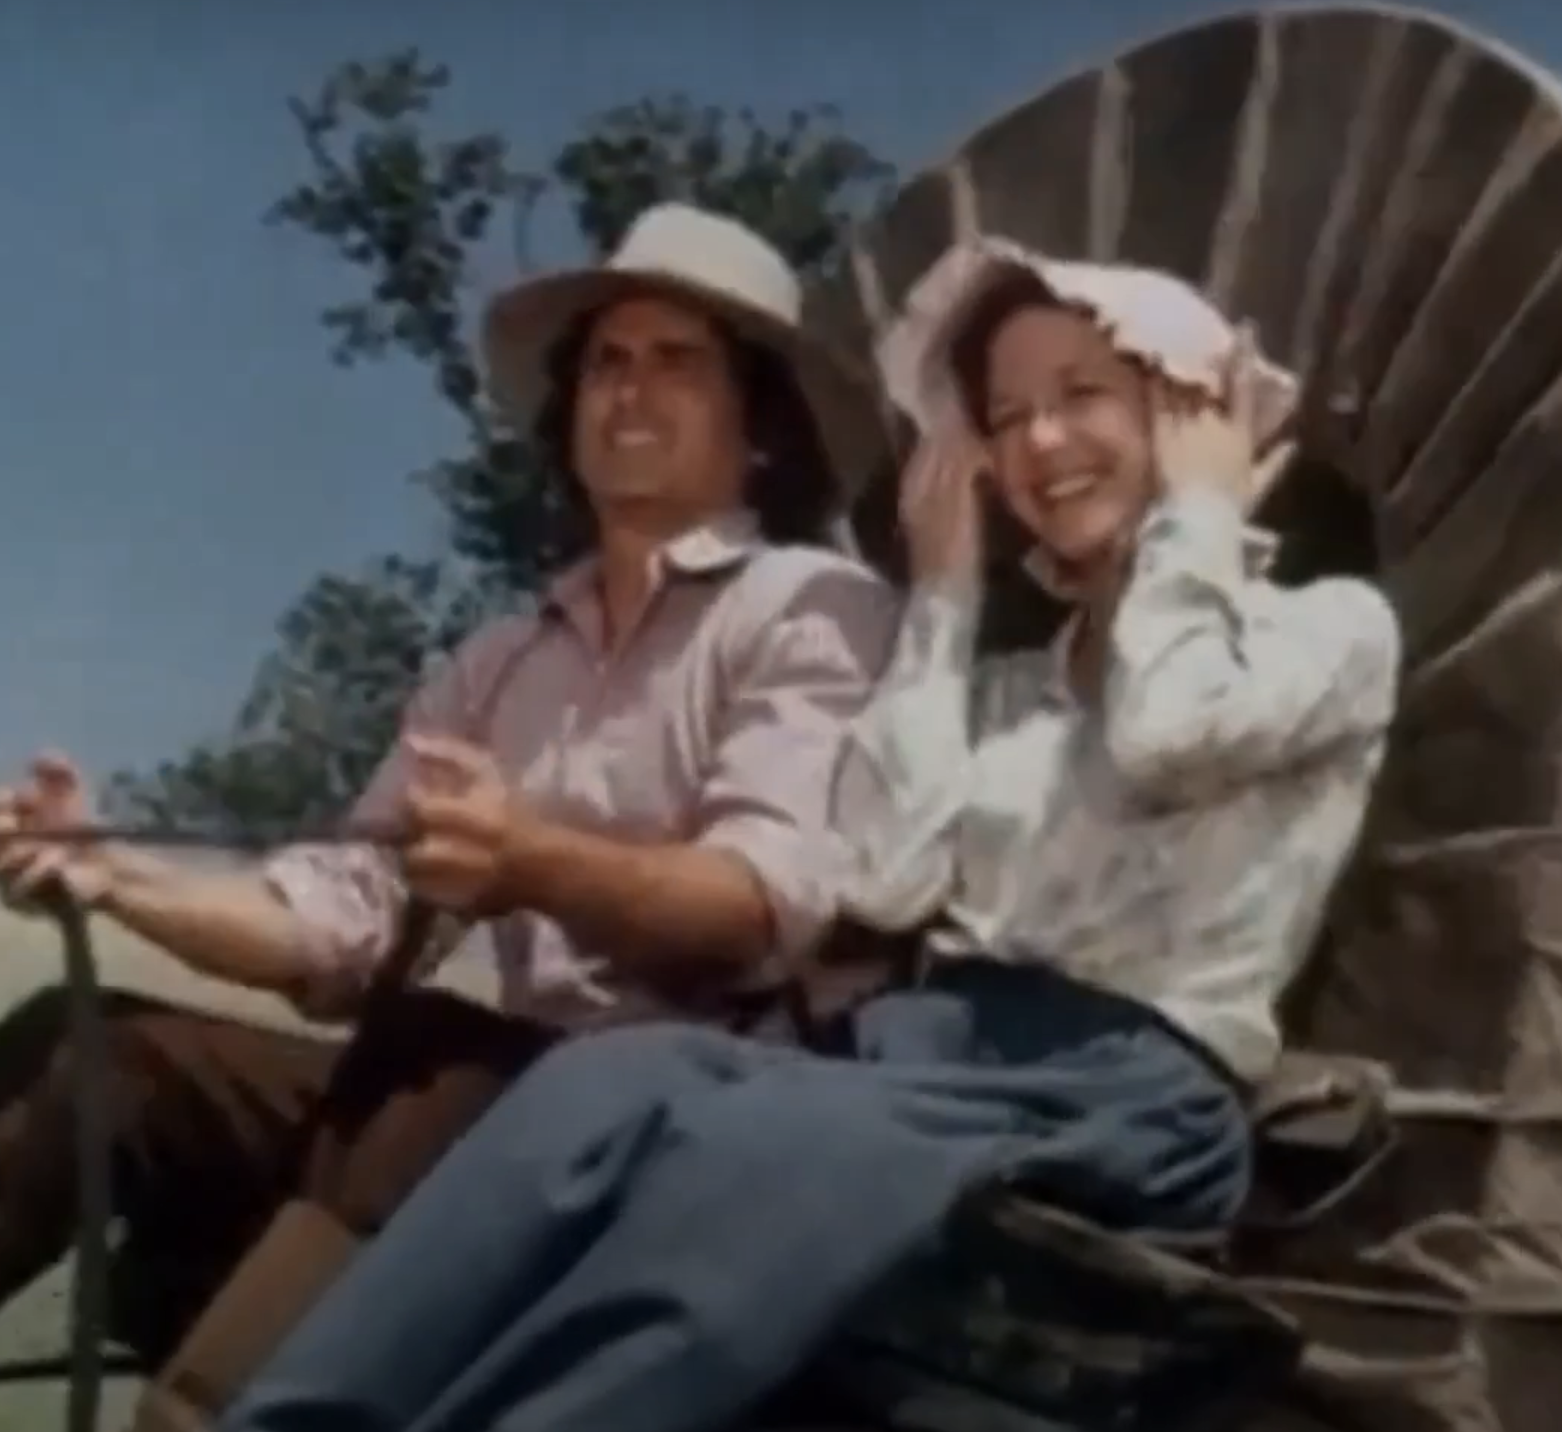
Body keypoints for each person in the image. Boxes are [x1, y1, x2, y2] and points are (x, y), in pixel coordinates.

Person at [209, 236, 1404, 1432]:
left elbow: (1163, 735)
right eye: (1006, 414)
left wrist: (1197, 513)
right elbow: (885, 874)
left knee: (773, 1149)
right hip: (927, 1051)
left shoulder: (1326, 633)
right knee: (607, 1078)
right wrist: (941, 601)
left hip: (1124, 1086)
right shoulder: (1012, 691)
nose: (1038, 442)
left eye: (1083, 396)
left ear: (1195, 409)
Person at [0, 201, 898, 1432]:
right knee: (80, 1053)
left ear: (756, 422)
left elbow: (761, 903)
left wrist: (534, 862)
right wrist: (111, 872)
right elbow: (335, 922)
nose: (630, 391)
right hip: (456, 1106)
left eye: (677, 362)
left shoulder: (808, 608)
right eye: (607, 360)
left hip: (677, 1131)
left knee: (437, 1082)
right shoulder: (501, 658)